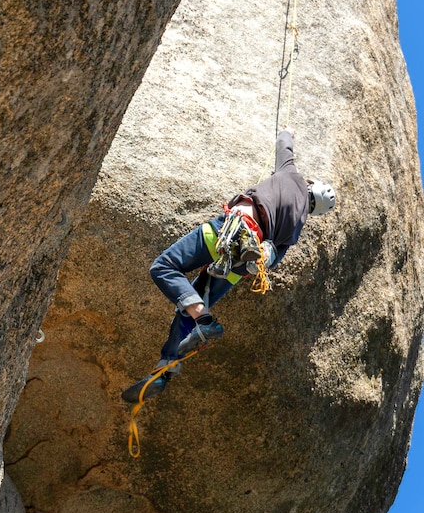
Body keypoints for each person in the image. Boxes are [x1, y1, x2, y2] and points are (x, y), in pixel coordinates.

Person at [122, 128, 335, 403]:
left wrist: (288, 133)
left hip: (230, 231)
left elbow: (285, 148)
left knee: (164, 267)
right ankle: (166, 366)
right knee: (189, 305)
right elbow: (271, 261)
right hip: (243, 262)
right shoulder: (295, 231)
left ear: (310, 186)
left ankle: (203, 321)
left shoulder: (292, 176)